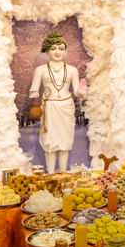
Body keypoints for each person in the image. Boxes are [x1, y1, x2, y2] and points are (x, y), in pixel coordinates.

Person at [28, 30, 81, 173]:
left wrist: (82, 91)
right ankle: (51, 175)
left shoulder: (72, 70)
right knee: (49, 143)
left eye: (61, 48)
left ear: (66, 52)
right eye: (53, 48)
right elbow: (33, 89)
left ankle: (63, 174)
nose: (57, 52)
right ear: (46, 51)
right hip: (48, 107)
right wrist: (35, 99)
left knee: (65, 142)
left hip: (66, 106)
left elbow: (76, 91)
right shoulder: (40, 70)